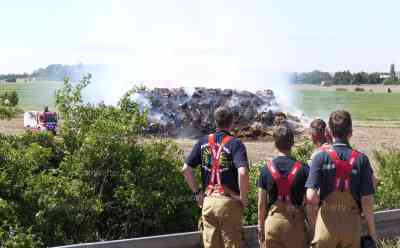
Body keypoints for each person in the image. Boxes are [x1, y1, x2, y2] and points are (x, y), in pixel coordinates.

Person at [306, 110, 377, 248]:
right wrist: (372, 232)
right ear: (350, 132)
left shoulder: (319, 157)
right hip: (352, 225)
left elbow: (311, 197)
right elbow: (367, 201)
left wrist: (314, 229)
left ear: (330, 133)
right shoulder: (361, 159)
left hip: (326, 223)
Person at [182, 106, 249, 248]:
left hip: (208, 202)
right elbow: (242, 172)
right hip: (228, 203)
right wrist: (243, 199)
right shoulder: (236, 144)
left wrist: (197, 193)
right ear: (231, 123)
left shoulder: (202, 141)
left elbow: (186, 169)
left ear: (215, 122)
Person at [258, 126, 310, 248]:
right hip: (295, 224)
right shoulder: (303, 170)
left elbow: (261, 203)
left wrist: (261, 226)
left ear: (275, 144)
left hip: (272, 223)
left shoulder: (266, 170)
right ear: (292, 143)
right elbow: (309, 202)